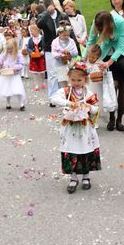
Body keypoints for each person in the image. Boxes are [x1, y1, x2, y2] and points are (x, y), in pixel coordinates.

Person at [51, 58, 101, 194]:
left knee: (85, 150)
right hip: (71, 127)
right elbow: (54, 99)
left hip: (85, 128)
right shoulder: (66, 92)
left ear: (85, 80)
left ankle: (86, 176)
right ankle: (73, 177)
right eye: (73, 80)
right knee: (72, 150)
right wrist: (68, 104)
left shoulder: (88, 93)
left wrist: (88, 107)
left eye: (79, 80)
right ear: (69, 79)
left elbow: (96, 108)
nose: (76, 83)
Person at [85, 10, 124, 131]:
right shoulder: (96, 23)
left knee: (123, 86)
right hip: (105, 53)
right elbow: (90, 41)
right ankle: (112, 117)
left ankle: (119, 120)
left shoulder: (120, 22)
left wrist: (109, 63)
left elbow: (121, 46)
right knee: (111, 86)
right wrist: (83, 59)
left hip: (122, 54)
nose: (100, 31)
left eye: (102, 29)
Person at [37, 0, 78, 99]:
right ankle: (53, 97)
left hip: (64, 47)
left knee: (63, 73)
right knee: (52, 74)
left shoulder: (62, 15)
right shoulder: (42, 16)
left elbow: (69, 30)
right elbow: (40, 25)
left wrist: (75, 44)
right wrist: (47, 13)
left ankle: (63, 95)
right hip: (49, 48)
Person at [0, 38, 26, 111]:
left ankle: (21, 104)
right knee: (7, 90)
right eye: (8, 49)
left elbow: (21, 64)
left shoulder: (18, 55)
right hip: (6, 74)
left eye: (11, 49)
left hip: (15, 75)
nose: (9, 50)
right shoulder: (5, 54)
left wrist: (15, 67)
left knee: (18, 89)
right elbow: (1, 60)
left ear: (15, 48)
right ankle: (8, 103)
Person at [50, 21, 78, 88]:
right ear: (59, 34)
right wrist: (60, 55)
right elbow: (53, 53)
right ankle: (65, 95)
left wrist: (69, 53)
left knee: (71, 81)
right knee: (64, 82)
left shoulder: (71, 41)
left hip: (70, 64)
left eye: (68, 35)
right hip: (60, 64)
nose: (66, 37)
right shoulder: (55, 42)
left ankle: (72, 96)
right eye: (64, 35)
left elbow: (76, 52)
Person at [27, 24, 46, 92]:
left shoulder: (42, 38)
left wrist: (43, 51)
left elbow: (45, 46)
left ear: (37, 31)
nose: (31, 32)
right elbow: (28, 47)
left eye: (33, 31)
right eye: (31, 31)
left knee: (42, 72)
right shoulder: (30, 39)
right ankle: (36, 85)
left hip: (41, 58)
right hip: (33, 58)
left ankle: (43, 82)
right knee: (34, 72)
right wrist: (31, 52)